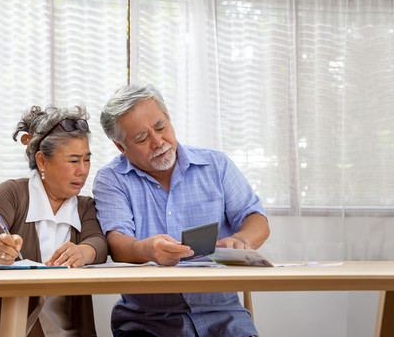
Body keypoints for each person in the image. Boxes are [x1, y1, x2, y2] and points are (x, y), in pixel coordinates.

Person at [93, 84, 270, 337]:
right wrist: (147, 249)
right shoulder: (112, 179)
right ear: (121, 148)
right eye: (142, 138)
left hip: (224, 317)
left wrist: (241, 241)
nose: (158, 142)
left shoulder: (215, 164)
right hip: (147, 322)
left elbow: (256, 219)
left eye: (161, 127)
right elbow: (117, 242)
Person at [0, 105, 108, 337]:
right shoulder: (12, 193)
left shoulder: (85, 206)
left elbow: (99, 243)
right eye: (73, 161)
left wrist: (84, 252)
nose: (83, 171)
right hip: (7, 330)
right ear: (42, 161)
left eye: (87, 160)